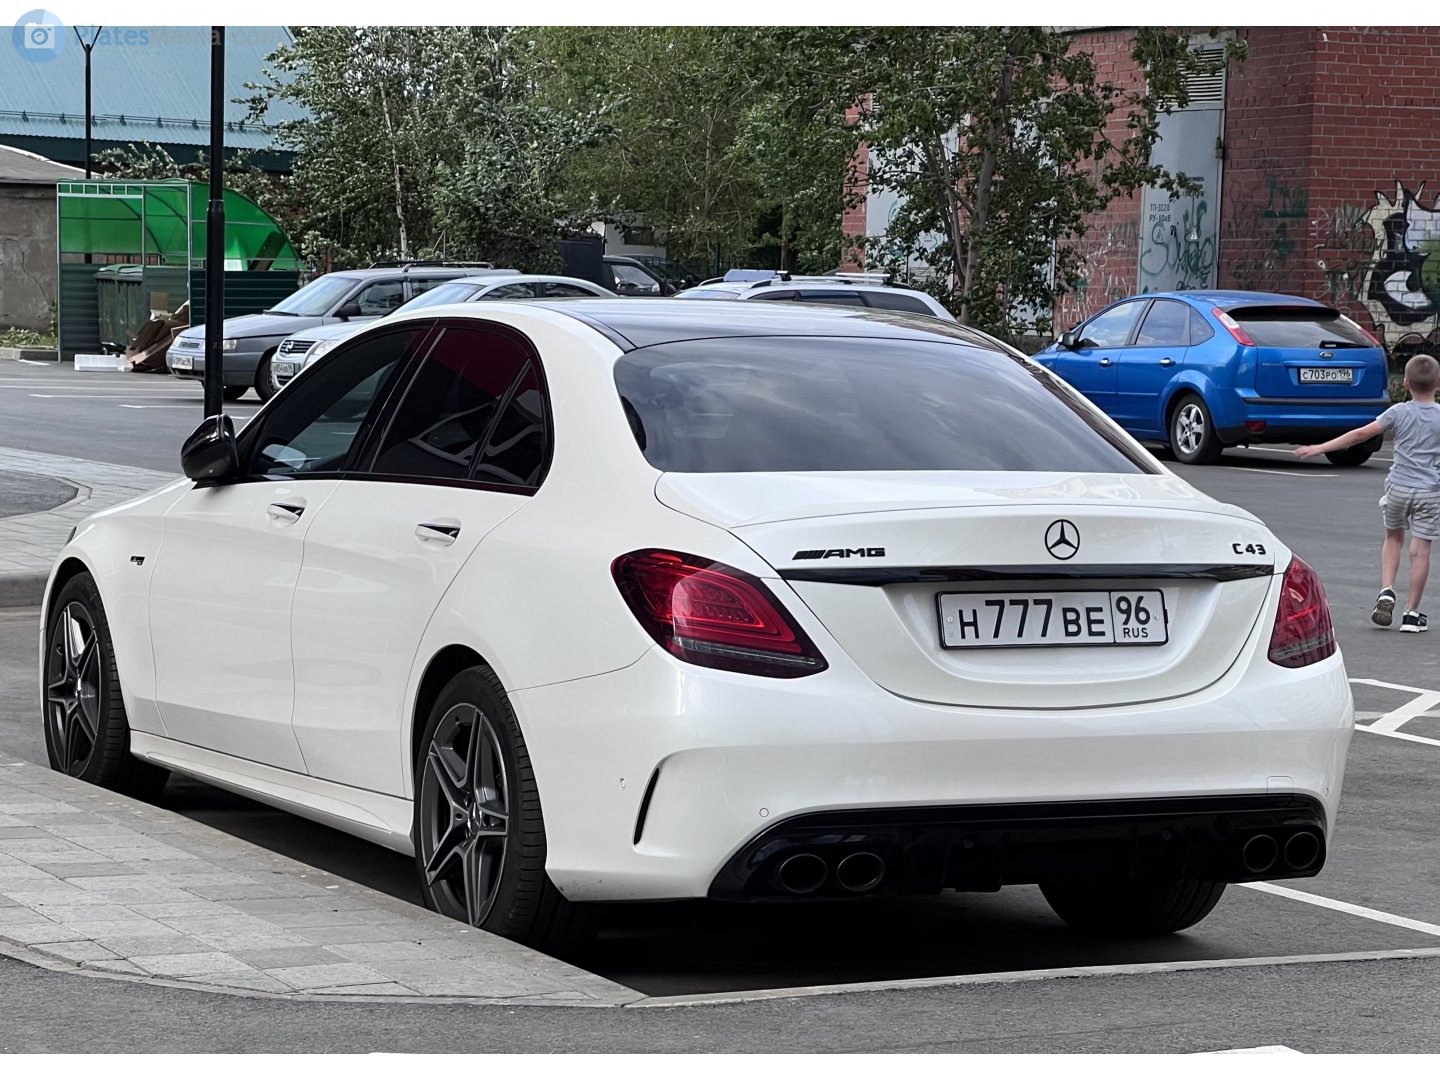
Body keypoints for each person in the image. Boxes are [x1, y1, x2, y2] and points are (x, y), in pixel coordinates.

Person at [1296, 353, 1440, 632]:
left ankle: (1386, 589)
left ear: (1406, 383)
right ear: (1438, 382)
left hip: (1398, 487)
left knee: (1393, 538)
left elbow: (1361, 434)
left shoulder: (1397, 412)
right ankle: (1412, 614)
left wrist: (1320, 448)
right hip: (1429, 492)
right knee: (1420, 550)